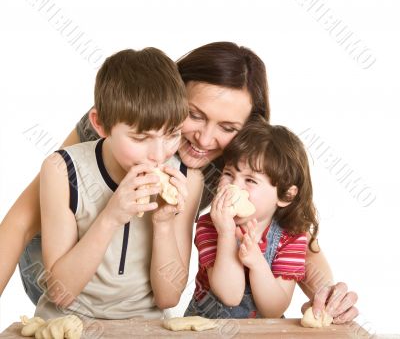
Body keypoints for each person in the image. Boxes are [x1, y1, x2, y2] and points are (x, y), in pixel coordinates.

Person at [0, 42, 358, 323]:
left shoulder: (235, 164)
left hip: (139, 297)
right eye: (193, 116)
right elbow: (19, 223)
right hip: (60, 271)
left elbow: (285, 224)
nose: (204, 139)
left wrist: (326, 291)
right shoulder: (126, 122)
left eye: (228, 128)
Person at [33, 47, 203, 319]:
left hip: (145, 327)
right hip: (66, 323)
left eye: (172, 134)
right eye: (140, 138)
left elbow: (168, 297)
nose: (159, 155)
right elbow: (61, 293)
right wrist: (111, 216)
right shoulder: (62, 170)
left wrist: (163, 224)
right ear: (100, 124)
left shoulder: (187, 178)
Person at [185, 116, 316, 319]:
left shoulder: (291, 238)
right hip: (209, 328)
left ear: (286, 195)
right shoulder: (211, 225)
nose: (234, 186)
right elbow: (230, 296)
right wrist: (226, 234)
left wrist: (256, 263)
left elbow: (273, 310)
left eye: (250, 180)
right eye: (229, 173)